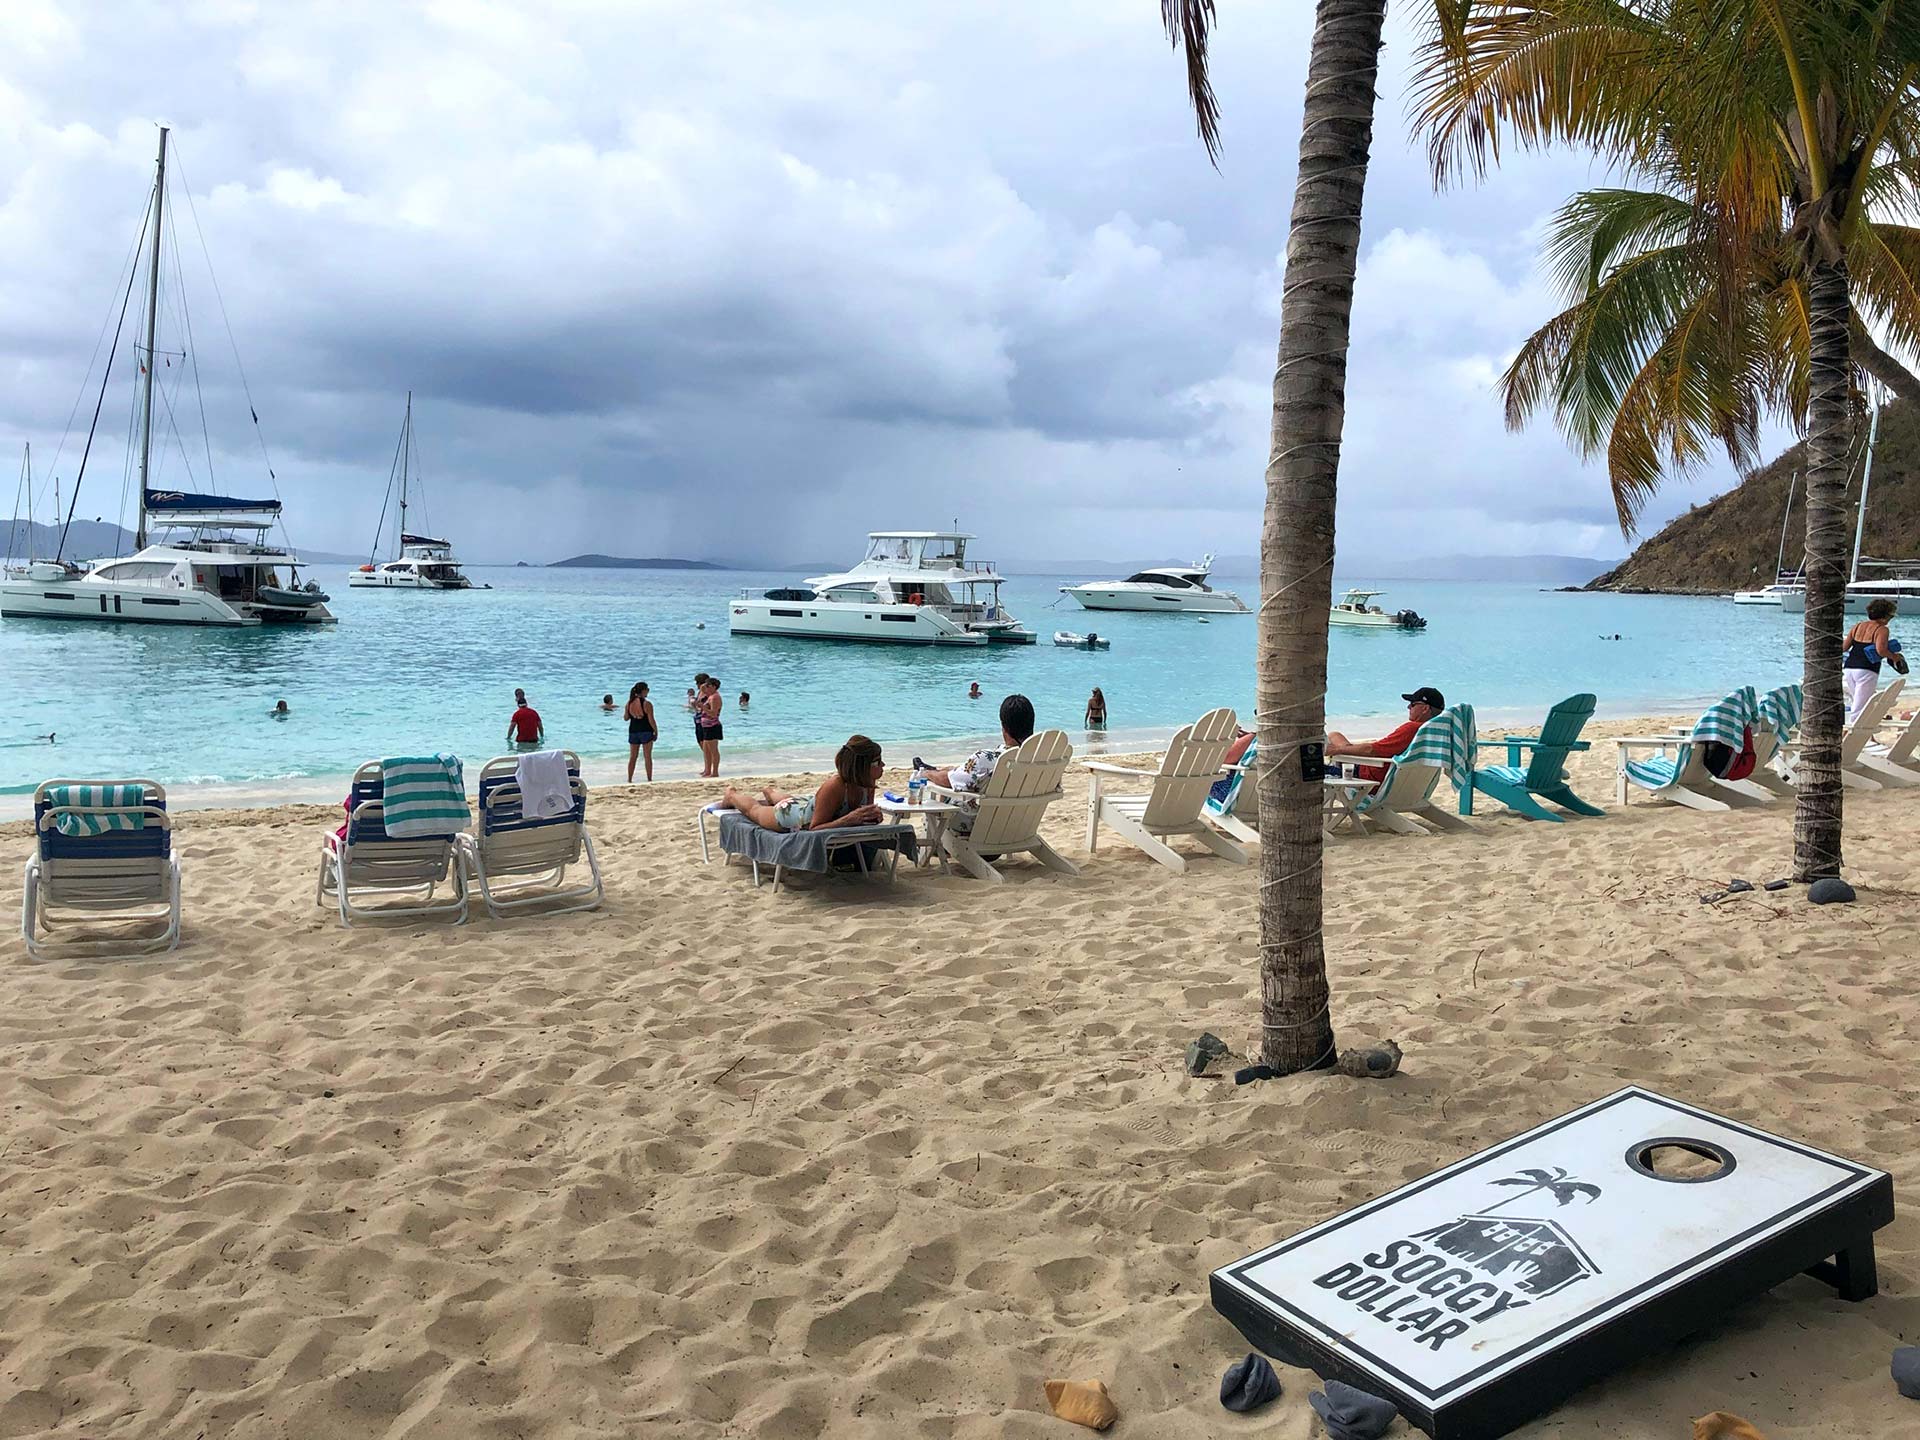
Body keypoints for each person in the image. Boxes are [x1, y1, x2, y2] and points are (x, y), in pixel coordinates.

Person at [917, 694, 1034, 831]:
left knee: (944, 788)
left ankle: (936, 843)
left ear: (1004, 727)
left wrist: (927, 774)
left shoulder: (986, 759)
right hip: (1019, 826)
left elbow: (947, 781)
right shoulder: (1040, 760)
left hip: (978, 827)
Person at [722, 735, 886, 832]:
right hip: (797, 817)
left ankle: (769, 792)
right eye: (877, 762)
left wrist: (872, 817)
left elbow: (862, 818)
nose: (883, 765)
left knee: (792, 800)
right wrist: (848, 820)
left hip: (808, 805)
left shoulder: (868, 783)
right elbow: (814, 828)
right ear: (862, 767)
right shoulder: (835, 786)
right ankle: (731, 795)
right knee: (755, 811)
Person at [1326, 686, 1443, 783]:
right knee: (1334, 735)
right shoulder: (1438, 733)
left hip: (1370, 777)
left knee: (1318, 767)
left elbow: (1370, 750)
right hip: (1411, 785)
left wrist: (1337, 750)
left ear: (1425, 708)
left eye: (1412, 704)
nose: (1408, 707)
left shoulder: (1413, 729)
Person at [1843, 599, 1906, 723]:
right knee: (1861, 706)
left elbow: (1844, 647)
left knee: (1857, 701)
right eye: (1890, 616)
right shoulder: (1882, 629)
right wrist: (1895, 657)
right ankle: (1853, 730)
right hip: (1867, 669)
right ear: (1885, 616)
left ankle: (1857, 729)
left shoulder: (1857, 626)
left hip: (1849, 667)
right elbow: (1881, 650)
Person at [625, 681, 658, 782]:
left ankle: (629, 779)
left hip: (633, 731)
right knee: (647, 756)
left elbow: (626, 718)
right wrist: (656, 731)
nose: (648, 691)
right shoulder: (647, 704)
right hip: (646, 731)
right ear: (643, 691)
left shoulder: (629, 703)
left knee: (633, 757)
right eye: (647, 689)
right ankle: (649, 778)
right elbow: (651, 720)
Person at [694, 676, 724, 777]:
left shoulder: (715, 697)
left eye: (709, 686)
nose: (706, 688)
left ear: (714, 687)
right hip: (706, 726)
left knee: (713, 750)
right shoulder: (710, 696)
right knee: (706, 749)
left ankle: (715, 772)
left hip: (713, 726)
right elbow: (702, 689)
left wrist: (703, 707)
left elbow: (713, 713)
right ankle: (708, 771)